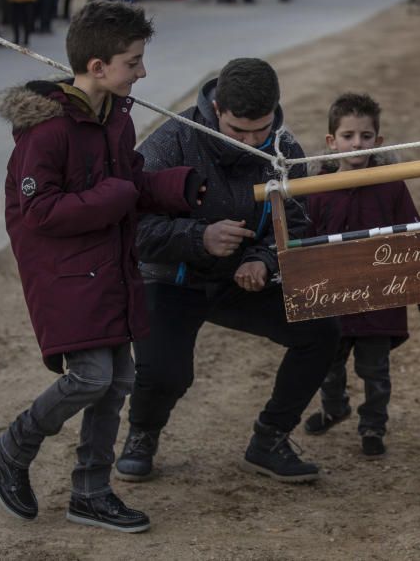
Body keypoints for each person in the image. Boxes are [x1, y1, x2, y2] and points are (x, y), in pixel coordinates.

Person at [0, 0, 205, 533]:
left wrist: (178, 186)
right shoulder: (47, 132)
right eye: (133, 61)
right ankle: (12, 447)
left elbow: (131, 184)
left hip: (109, 272)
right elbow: (39, 211)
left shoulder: (115, 122)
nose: (143, 71)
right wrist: (115, 193)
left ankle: (91, 492)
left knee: (119, 377)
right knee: (91, 376)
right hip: (65, 277)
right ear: (98, 67)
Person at [113, 57, 341, 484]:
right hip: (171, 278)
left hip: (240, 277)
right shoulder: (170, 142)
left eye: (263, 129)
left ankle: (269, 440)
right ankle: (142, 433)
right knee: (166, 373)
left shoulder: (284, 147)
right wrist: (199, 237)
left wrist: (264, 258)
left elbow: (294, 221)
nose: (252, 141)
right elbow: (132, 229)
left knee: (321, 329)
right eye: (239, 131)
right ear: (216, 109)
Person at [301, 93, 420, 457]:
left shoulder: (392, 185)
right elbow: (302, 245)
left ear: (377, 141)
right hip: (332, 300)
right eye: (348, 136)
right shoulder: (314, 190)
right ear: (331, 141)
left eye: (365, 136)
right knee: (326, 365)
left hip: (381, 300)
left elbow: (412, 235)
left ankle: (373, 426)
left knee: (375, 371)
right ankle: (334, 408)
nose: (357, 144)